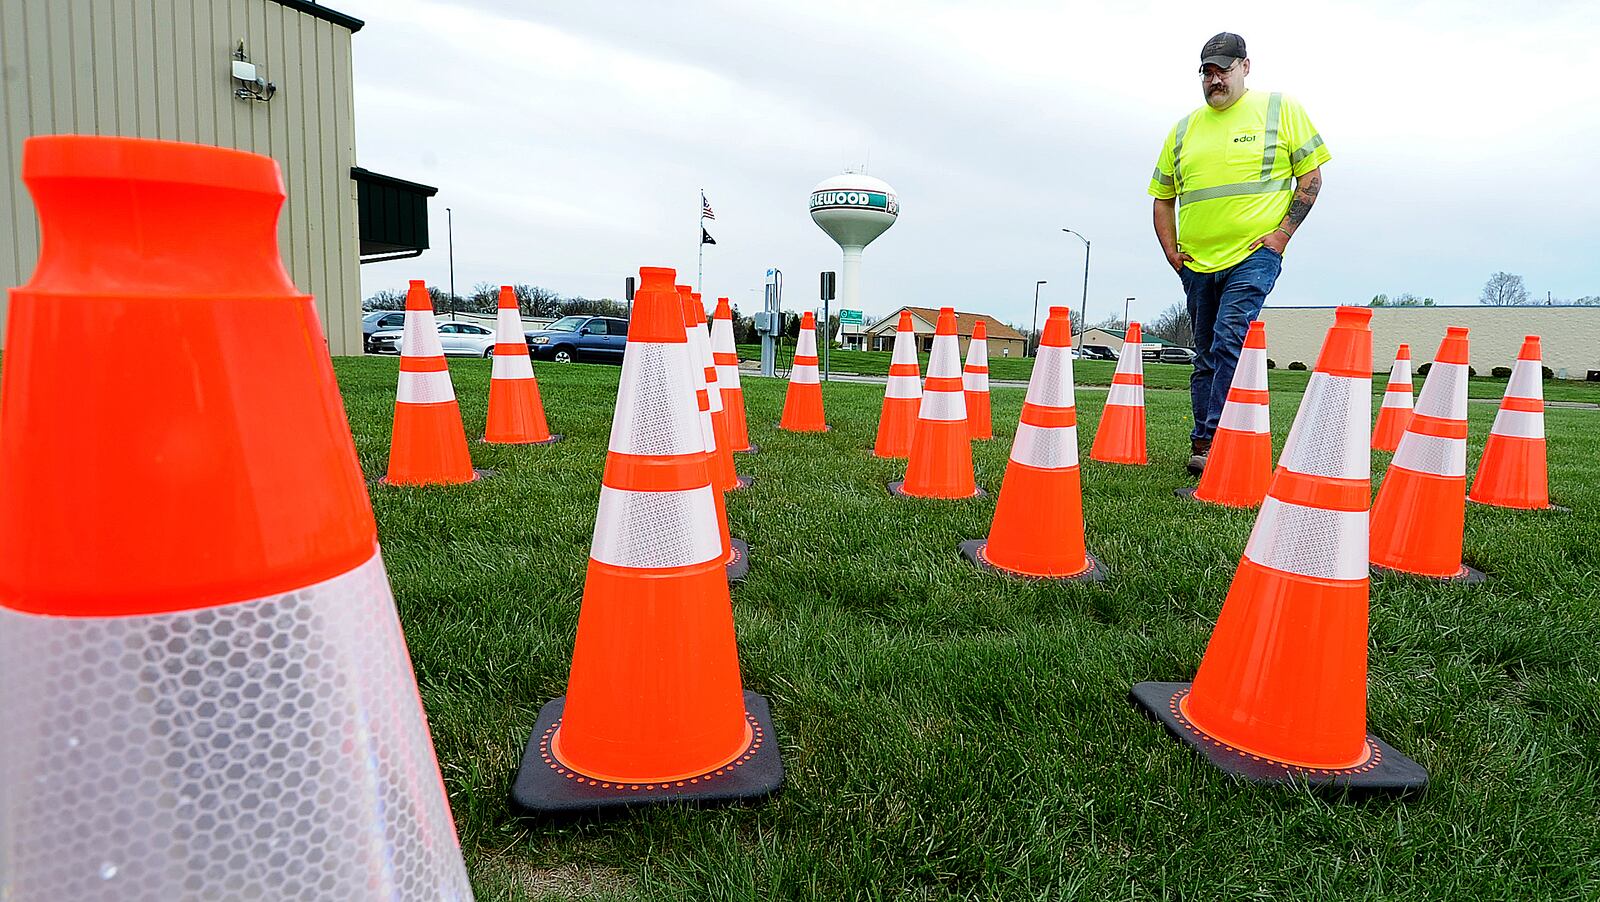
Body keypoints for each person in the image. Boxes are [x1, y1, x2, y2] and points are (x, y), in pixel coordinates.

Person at [1148, 32, 1331, 475]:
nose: (1214, 80)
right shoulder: (1184, 129)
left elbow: (1311, 179)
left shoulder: (1279, 109)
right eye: (1207, 73)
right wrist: (1173, 252)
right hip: (1197, 265)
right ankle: (1202, 438)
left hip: (1254, 256)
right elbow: (1161, 198)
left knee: (1231, 337)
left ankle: (1215, 444)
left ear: (1245, 67)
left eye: (1222, 70)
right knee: (1206, 351)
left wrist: (1282, 235)